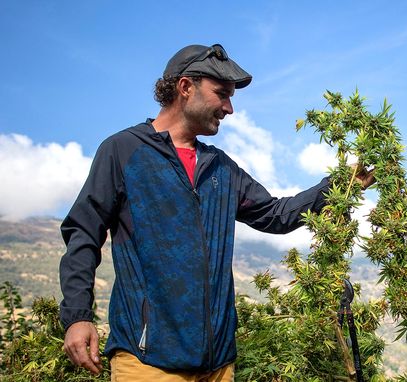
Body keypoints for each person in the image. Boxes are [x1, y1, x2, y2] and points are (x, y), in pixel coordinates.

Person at [59, 43, 374, 381]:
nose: (229, 108)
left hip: (219, 363)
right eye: (222, 94)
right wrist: (77, 316)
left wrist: (342, 185)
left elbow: (275, 215)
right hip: (148, 360)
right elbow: (84, 231)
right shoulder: (124, 152)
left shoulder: (221, 168)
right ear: (185, 87)